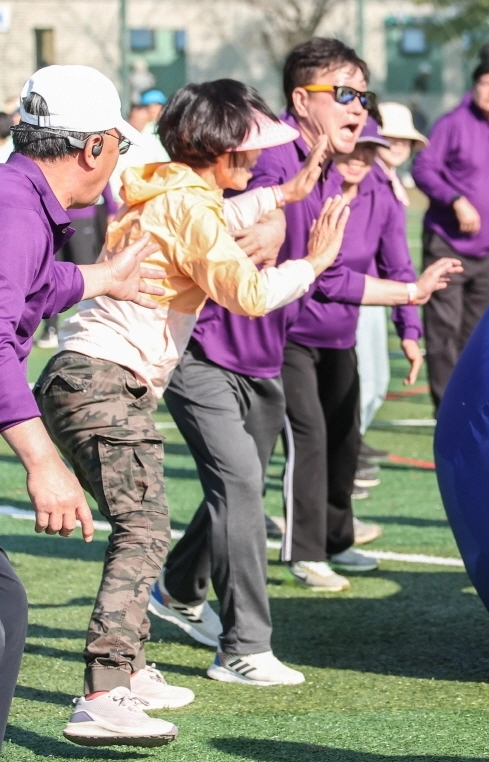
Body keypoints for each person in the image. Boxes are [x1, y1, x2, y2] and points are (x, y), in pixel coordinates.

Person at [39, 79, 348, 746]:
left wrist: (283, 194)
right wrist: (313, 262)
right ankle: (104, 691)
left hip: (89, 379)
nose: (251, 167)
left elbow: (212, 218)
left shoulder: (169, 190)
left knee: (143, 523)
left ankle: (132, 667)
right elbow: (249, 293)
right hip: (101, 381)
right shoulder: (189, 204)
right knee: (144, 528)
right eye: (246, 156)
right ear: (218, 151)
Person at [0, 63, 163, 749]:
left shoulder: (20, 200)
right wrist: (42, 461)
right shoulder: (15, 210)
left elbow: (34, 281)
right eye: (118, 145)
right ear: (95, 148)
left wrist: (104, 277)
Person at [279, 115, 460, 591]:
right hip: (290, 333)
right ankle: (305, 552)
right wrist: (407, 299)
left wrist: (409, 330)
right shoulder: (314, 188)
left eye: (370, 149)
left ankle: (338, 539)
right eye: (353, 147)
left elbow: (397, 260)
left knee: (345, 439)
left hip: (342, 333)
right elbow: (323, 275)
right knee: (310, 438)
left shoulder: (382, 193)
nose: (359, 157)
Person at [412, 59, 489, 409]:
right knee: (443, 332)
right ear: (475, 86)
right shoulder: (453, 123)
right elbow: (423, 168)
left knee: (477, 336)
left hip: (488, 249)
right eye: (486, 83)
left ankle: (467, 407)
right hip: (446, 243)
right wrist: (456, 200)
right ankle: (446, 410)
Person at [356, 102, 428, 456]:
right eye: (390, 138)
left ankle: (346, 450)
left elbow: (398, 261)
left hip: (377, 294)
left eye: (405, 139)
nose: (398, 145)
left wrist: (409, 327)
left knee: (375, 385)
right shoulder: (367, 177)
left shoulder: (389, 181)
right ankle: (342, 454)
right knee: (365, 385)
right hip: (355, 292)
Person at [36, 183, 119, 348]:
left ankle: (95, 328)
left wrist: (111, 209)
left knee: (89, 275)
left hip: (82, 219)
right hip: (53, 219)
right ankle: (51, 330)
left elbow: (101, 177)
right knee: (50, 272)